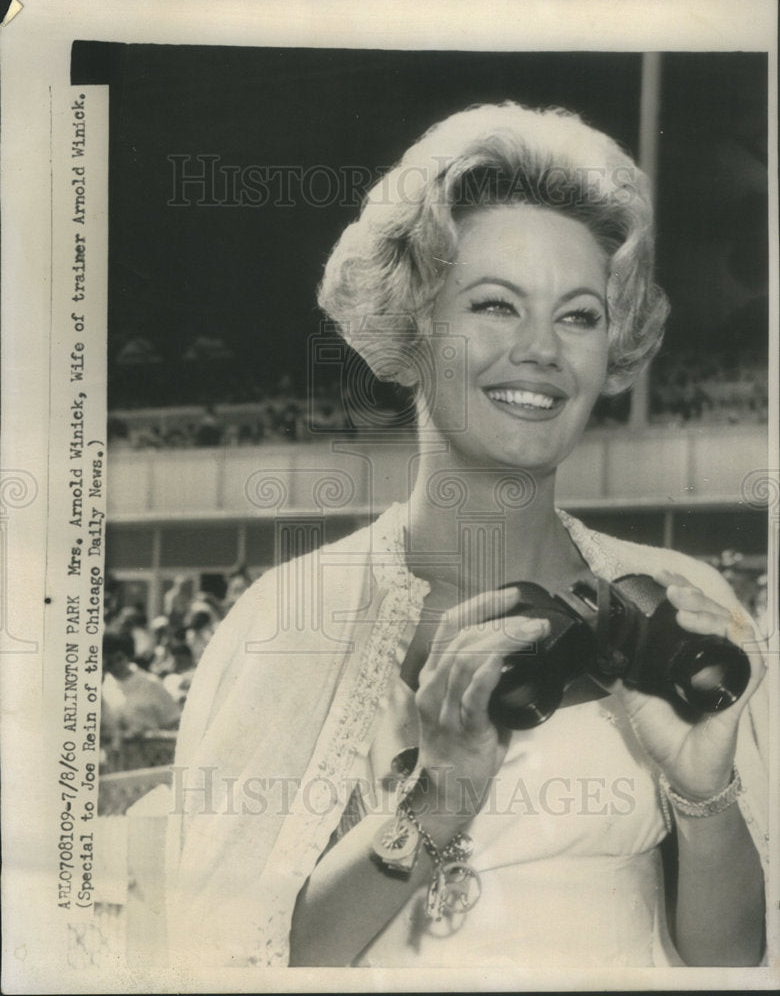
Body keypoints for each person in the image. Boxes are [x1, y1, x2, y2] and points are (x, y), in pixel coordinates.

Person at [166, 102, 768, 969]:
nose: (540, 351)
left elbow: (734, 965)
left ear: (616, 344)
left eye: (579, 315)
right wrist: (439, 795)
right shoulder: (287, 623)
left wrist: (704, 795)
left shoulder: (679, 597)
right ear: (413, 323)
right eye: (495, 305)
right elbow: (224, 966)